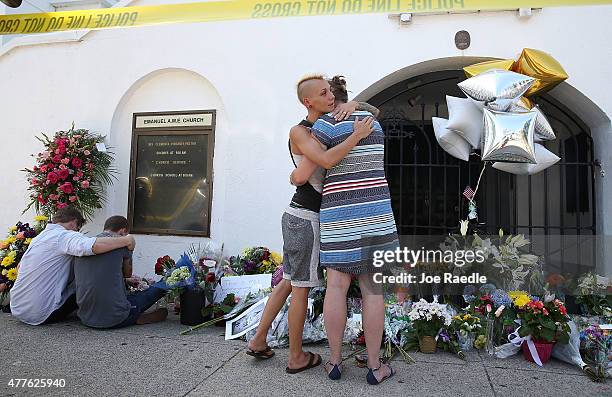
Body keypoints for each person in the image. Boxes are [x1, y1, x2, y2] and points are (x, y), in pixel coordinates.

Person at [246, 74, 377, 374]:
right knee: (301, 288)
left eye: (330, 91)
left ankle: (258, 338)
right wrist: (355, 136)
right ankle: (295, 357)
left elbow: (374, 112)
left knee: (290, 281)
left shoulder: (327, 124)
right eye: (323, 93)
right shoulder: (303, 131)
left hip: (301, 217)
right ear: (309, 101)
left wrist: (355, 103)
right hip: (306, 217)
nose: (330, 96)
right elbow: (312, 170)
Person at [311, 76, 399, 385]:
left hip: (339, 218)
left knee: (335, 288)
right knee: (373, 293)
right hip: (376, 217)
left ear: (330, 100)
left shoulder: (324, 126)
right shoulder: (372, 124)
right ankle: (375, 367)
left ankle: (335, 362)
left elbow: (312, 165)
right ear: (349, 98)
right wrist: (358, 106)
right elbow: (375, 110)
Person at [10, 206, 136, 325]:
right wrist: (127, 240)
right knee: (87, 280)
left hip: (17, 307)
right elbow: (92, 246)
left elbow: (20, 267)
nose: (77, 231)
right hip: (40, 313)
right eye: (77, 228)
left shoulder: (40, 238)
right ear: (73, 223)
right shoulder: (64, 236)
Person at [74, 216, 168, 328]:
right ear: (123, 231)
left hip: (85, 317)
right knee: (155, 291)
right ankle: (134, 317)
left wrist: (125, 281)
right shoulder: (121, 245)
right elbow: (127, 273)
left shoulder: (87, 246)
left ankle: (133, 315)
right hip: (114, 318)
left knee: (126, 296)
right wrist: (130, 250)